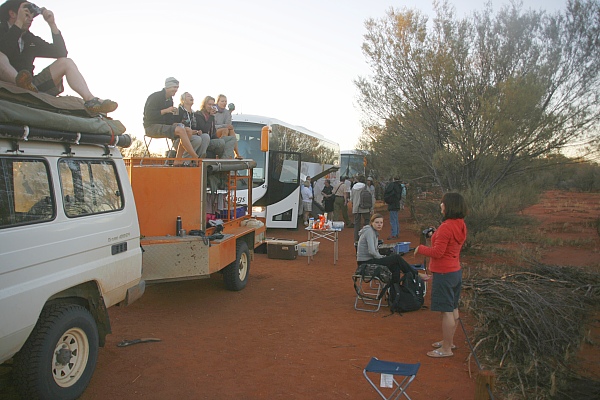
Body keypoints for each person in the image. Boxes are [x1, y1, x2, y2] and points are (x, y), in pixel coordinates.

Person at [0, 1, 117, 115]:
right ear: (12, 14)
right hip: (6, 82)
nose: (30, 18)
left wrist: (52, 24)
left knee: (66, 62)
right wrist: (18, 23)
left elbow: (60, 52)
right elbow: (5, 48)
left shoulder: (30, 39)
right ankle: (19, 81)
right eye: (26, 14)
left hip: (30, 85)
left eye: (32, 16)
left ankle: (91, 100)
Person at [414, 192, 468, 358]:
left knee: (446, 311)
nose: (441, 205)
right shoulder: (460, 224)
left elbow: (438, 252)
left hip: (444, 272)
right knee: (453, 307)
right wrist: (434, 236)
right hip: (454, 271)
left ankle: (446, 349)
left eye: (443, 203)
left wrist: (420, 249)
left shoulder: (446, 226)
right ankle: (448, 341)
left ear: (449, 206)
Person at [143, 77, 201, 160]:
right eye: (174, 87)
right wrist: (166, 110)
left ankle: (178, 159)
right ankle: (195, 156)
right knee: (180, 130)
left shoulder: (170, 100)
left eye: (177, 87)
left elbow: (169, 121)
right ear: (168, 87)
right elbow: (148, 115)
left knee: (187, 129)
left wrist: (176, 121)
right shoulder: (155, 97)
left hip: (164, 126)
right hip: (151, 127)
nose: (176, 90)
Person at [356, 213, 415, 284]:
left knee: (395, 265)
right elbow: (372, 251)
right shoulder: (369, 232)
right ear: (372, 223)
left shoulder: (373, 232)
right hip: (365, 262)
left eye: (381, 222)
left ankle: (395, 289)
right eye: (377, 222)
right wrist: (381, 257)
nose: (379, 224)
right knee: (396, 258)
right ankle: (415, 274)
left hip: (370, 259)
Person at [177, 91, 210, 157]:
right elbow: (176, 124)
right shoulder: (179, 111)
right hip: (180, 138)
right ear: (183, 100)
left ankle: (199, 159)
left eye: (191, 96)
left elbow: (196, 127)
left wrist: (198, 131)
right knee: (197, 139)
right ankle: (185, 160)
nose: (191, 97)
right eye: (188, 96)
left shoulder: (194, 113)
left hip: (193, 135)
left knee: (205, 136)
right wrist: (189, 131)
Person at [214, 94, 241, 159]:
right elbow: (213, 126)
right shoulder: (214, 111)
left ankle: (237, 154)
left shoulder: (226, 112)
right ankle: (221, 152)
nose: (224, 103)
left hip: (225, 130)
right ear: (218, 102)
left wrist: (229, 113)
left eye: (225, 101)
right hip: (215, 131)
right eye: (222, 101)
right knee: (225, 130)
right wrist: (224, 126)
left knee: (231, 131)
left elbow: (229, 124)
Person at [350, 175, 374, 243]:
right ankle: (366, 237)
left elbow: (351, 199)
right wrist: (371, 208)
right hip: (365, 207)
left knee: (357, 223)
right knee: (366, 222)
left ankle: (356, 239)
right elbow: (371, 197)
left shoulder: (354, 187)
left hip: (356, 208)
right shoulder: (366, 187)